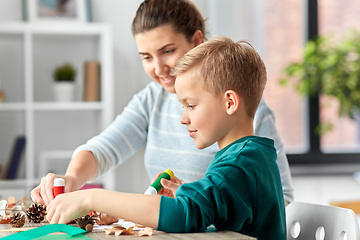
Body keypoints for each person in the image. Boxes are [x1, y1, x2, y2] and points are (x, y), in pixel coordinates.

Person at [31, 0, 293, 206]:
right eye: (146, 57)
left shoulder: (244, 114)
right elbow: (103, 149)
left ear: (196, 41)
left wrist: (95, 199)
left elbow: (280, 199)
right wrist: (71, 179)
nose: (159, 68)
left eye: (167, 51)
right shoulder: (151, 99)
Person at [46, 36, 286, 239]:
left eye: (191, 105)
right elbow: (219, 211)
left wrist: (91, 197)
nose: (183, 118)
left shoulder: (240, 163)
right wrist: (189, 192)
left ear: (230, 102)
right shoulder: (251, 155)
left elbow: (186, 213)